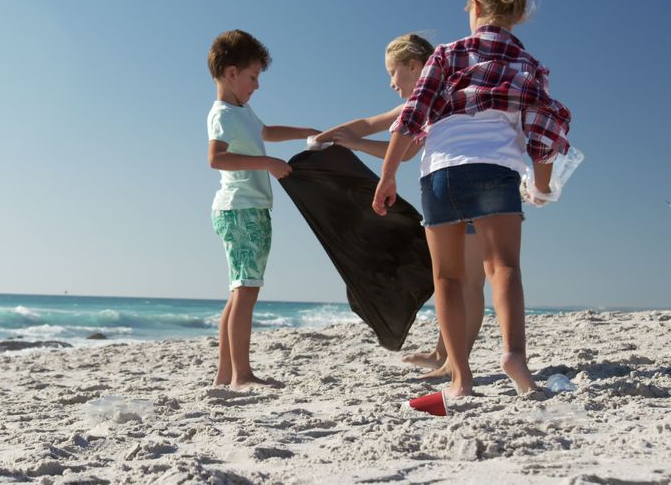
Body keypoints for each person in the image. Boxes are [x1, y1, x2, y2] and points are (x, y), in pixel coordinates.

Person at [372, 0, 572, 400]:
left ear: (474, 6)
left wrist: (387, 177)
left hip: (439, 173)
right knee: (503, 267)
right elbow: (543, 132)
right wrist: (541, 186)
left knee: (447, 278)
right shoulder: (528, 64)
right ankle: (513, 355)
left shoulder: (445, 54)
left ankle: (460, 376)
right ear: (518, 14)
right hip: (495, 171)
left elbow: (412, 117)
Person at [315, 34, 486, 380]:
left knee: (467, 282)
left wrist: (356, 143)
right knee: (452, 280)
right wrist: (329, 137)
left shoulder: (435, 95)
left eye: (393, 72)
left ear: (414, 66)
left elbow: (403, 151)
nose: (390, 82)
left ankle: (455, 362)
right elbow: (373, 126)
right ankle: (444, 353)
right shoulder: (431, 98)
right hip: (472, 187)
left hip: (464, 184)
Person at [206, 29, 319, 389]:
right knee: (247, 291)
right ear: (231, 73)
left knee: (240, 290)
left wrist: (305, 131)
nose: (257, 85)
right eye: (253, 77)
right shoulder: (222, 113)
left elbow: (265, 131)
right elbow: (216, 159)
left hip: (244, 209)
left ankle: (226, 374)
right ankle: (242, 375)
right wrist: (268, 165)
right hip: (241, 209)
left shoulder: (242, 111)